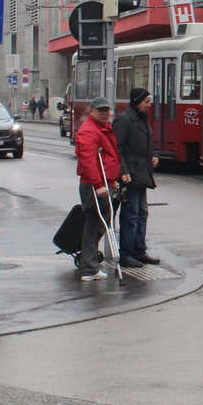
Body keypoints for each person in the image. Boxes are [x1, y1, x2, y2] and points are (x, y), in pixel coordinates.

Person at [74, 96, 122, 282]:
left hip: (105, 182)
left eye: (106, 110)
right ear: (92, 111)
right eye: (100, 110)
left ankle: (90, 265)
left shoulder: (102, 128)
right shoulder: (89, 131)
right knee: (94, 225)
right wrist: (98, 185)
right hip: (95, 185)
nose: (104, 114)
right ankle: (88, 267)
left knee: (97, 225)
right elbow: (88, 160)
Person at [113, 87, 159, 268]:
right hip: (130, 175)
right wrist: (123, 171)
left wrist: (153, 155)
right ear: (137, 101)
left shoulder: (141, 118)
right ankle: (127, 253)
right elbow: (117, 148)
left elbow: (147, 142)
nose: (149, 105)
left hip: (141, 172)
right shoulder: (124, 120)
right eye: (146, 102)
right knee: (130, 215)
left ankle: (139, 250)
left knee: (141, 213)